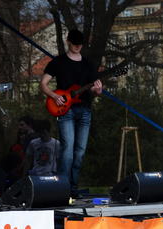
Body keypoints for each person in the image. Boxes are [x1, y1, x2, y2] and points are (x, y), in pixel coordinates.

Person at [39, 29, 102, 198]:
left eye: (80, 44)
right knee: (67, 149)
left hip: (85, 110)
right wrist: (54, 95)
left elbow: (96, 91)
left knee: (80, 151)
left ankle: (73, 188)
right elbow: (43, 84)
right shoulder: (58, 62)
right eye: (74, 44)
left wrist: (98, 90)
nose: (77, 47)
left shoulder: (89, 64)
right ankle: (62, 188)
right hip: (65, 110)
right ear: (68, 42)